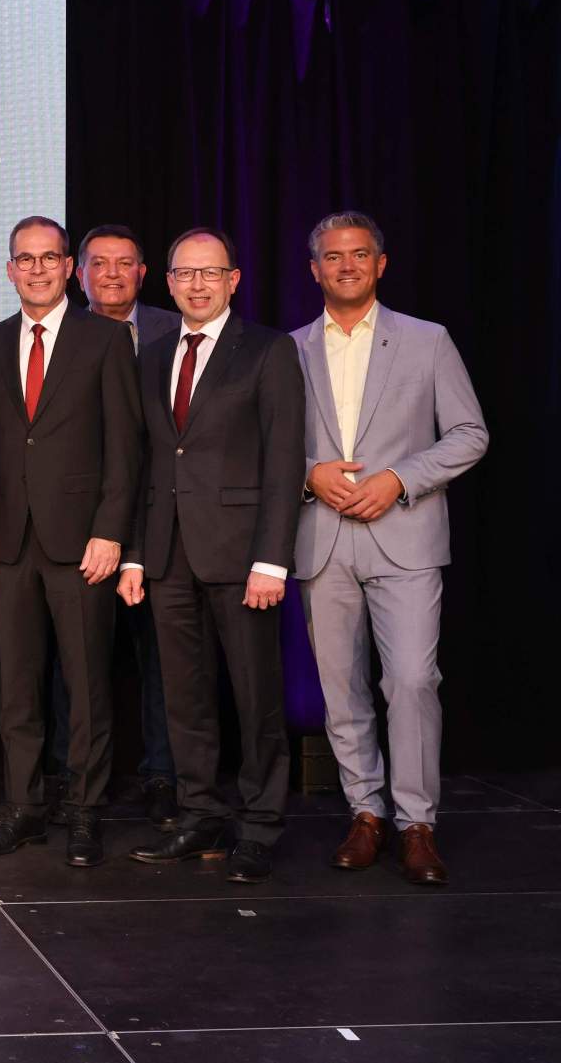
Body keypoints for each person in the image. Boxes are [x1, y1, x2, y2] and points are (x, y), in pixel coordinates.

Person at [294, 212, 488, 886]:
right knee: (340, 689)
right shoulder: (288, 349)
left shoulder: (427, 340)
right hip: (322, 539)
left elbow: (469, 433)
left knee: (410, 680)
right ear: (314, 269)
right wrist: (308, 473)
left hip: (405, 538)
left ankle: (416, 823)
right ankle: (365, 812)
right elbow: (267, 441)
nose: (346, 265)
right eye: (332, 256)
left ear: (380, 263)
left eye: (359, 254)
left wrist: (400, 479)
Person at [117, 229, 304, 884]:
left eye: (210, 272)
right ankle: (200, 812)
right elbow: (145, 462)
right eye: (185, 274)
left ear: (233, 280)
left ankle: (260, 824)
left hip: (242, 555)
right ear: (167, 283)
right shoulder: (152, 355)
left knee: (256, 697)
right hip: (167, 555)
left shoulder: (269, 350)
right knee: (184, 697)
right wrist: (135, 554)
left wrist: (272, 559)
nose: (197, 284)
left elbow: (285, 459)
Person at [0, 216, 141, 869]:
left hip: (82, 541)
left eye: (48, 258)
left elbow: (126, 446)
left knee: (87, 684)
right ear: (9, 269)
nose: (36, 269)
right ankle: (24, 807)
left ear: (69, 267)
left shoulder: (106, 339)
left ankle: (84, 810)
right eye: (24, 259)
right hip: (8, 542)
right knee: (17, 687)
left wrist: (111, 530)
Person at [59, 224, 180, 829]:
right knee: (76, 661)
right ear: (78, 273)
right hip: (80, 525)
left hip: (162, 516)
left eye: (124, 263)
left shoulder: (175, 330)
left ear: (143, 273)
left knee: (162, 655)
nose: (111, 274)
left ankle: (163, 773)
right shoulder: (61, 333)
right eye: (98, 263)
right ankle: (76, 777)